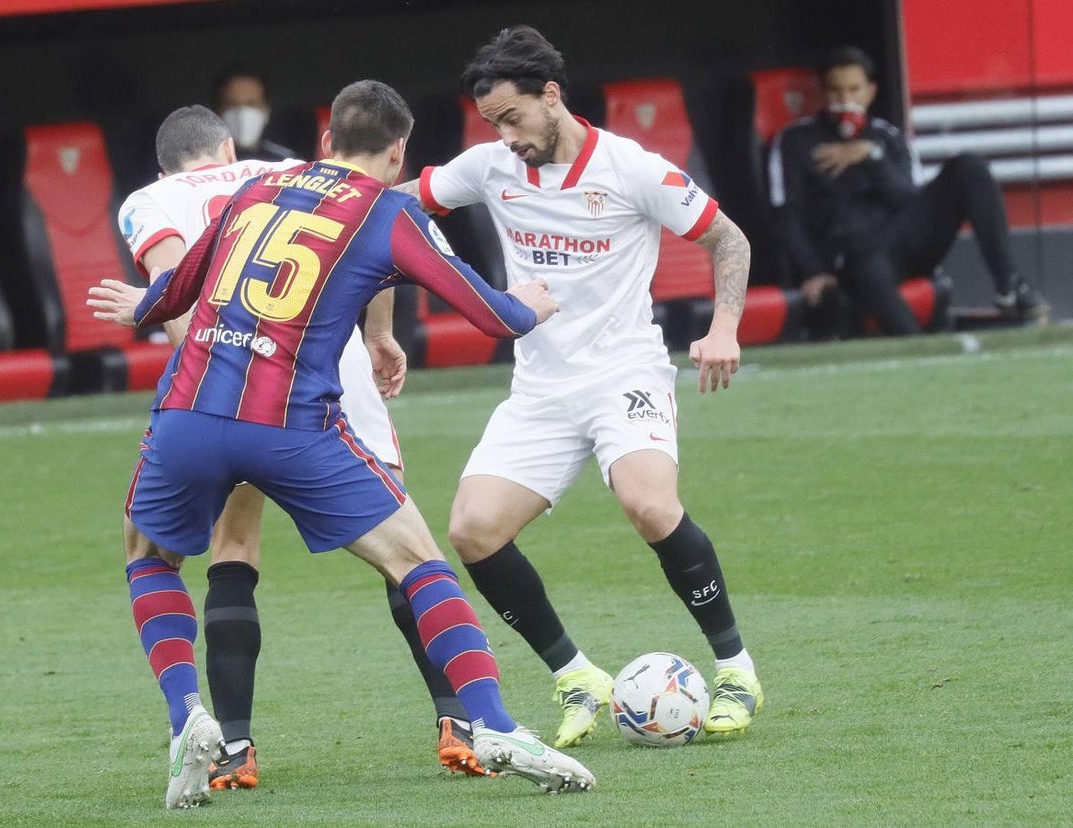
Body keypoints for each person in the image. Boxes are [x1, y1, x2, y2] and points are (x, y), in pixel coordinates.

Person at [89, 79, 594, 808]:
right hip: (290, 427)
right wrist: (532, 306)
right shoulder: (388, 212)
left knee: (148, 558)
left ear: (325, 141)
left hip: (190, 414)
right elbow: (493, 317)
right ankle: (491, 724)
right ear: (399, 152)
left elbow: (173, 293)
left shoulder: (261, 187)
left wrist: (143, 309)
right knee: (418, 561)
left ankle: (188, 718)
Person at [396, 25, 764, 748]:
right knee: (472, 529)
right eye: (492, 124)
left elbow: (730, 239)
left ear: (552, 96)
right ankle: (575, 676)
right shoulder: (490, 165)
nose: (505, 137)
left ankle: (736, 670)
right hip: (539, 389)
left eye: (513, 117)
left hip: (624, 372)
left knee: (648, 503)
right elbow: (400, 203)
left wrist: (724, 328)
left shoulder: (631, 169)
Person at [117, 104, 487, 790]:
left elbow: (181, 293)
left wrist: (204, 385)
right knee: (408, 554)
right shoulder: (291, 170)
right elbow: (376, 245)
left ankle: (235, 747)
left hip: (232, 384)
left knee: (230, 551)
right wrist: (379, 335)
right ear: (228, 145)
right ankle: (462, 721)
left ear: (166, 163)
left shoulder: (149, 201)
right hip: (329, 366)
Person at [767, 44, 1049, 338]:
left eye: (854, 90)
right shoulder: (795, 140)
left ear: (870, 91)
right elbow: (787, 215)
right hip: (848, 257)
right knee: (869, 268)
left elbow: (909, 200)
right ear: (823, 95)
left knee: (969, 167)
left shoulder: (887, 137)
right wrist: (812, 270)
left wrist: (871, 157)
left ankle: (1009, 286)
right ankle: (919, 349)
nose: (846, 100)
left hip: (899, 243)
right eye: (836, 92)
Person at [213, 64, 299, 162]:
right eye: (232, 104)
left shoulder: (288, 163)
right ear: (217, 111)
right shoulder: (203, 163)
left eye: (251, 104)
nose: (242, 113)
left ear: (266, 109)